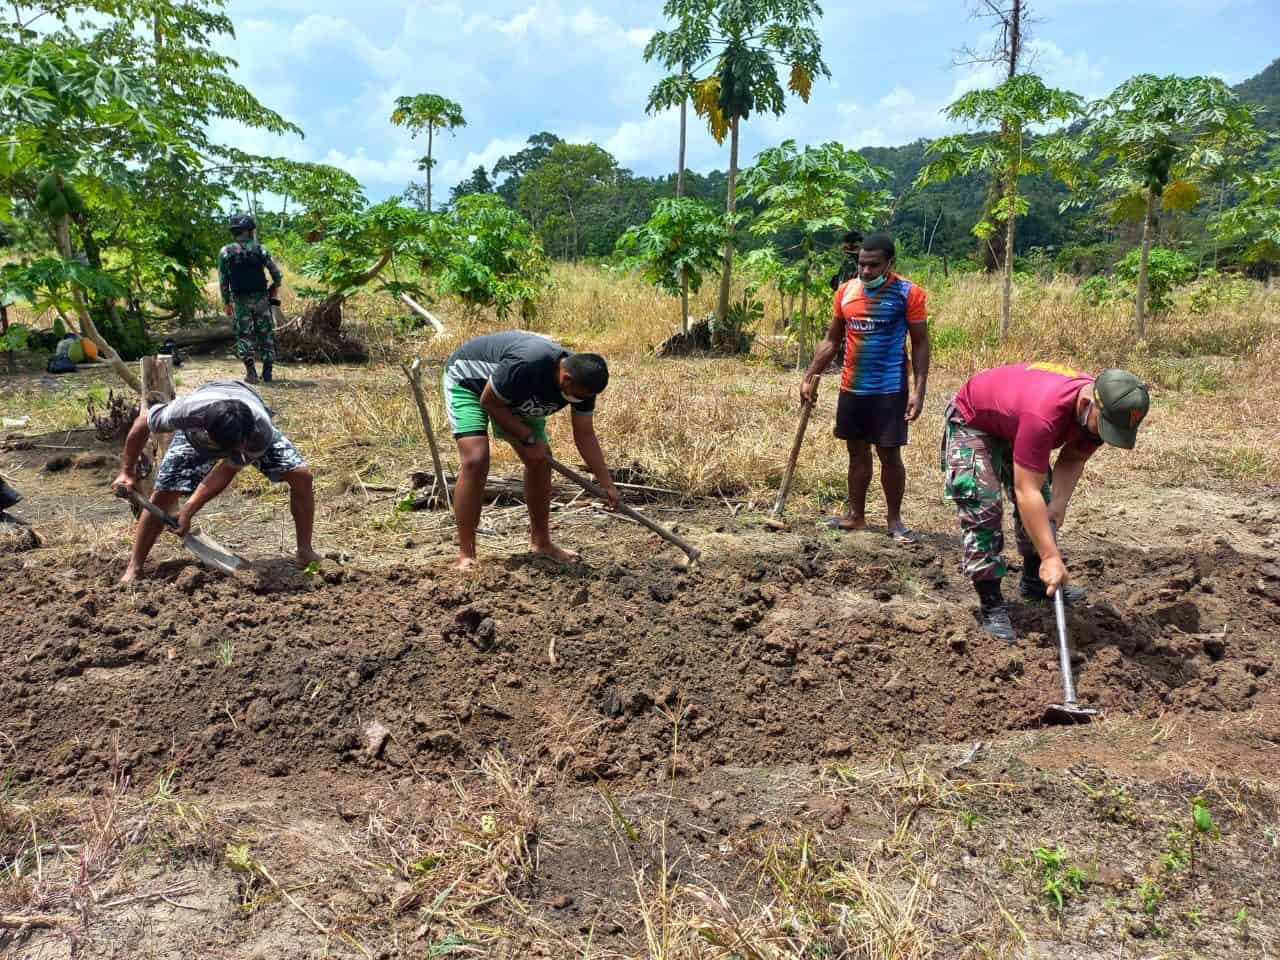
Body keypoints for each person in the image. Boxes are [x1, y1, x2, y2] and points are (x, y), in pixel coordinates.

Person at [942, 363, 1150, 643]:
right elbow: (1026, 490)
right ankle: (991, 603)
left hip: (1016, 422)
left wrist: (1059, 503)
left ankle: (1034, 583)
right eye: (1104, 428)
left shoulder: (1096, 413)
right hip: (974, 420)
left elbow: (1075, 456)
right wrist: (1052, 557)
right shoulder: (1046, 414)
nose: (1103, 436)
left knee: (1045, 504)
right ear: (1087, 404)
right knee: (985, 508)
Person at [443, 331, 622, 570]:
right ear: (566, 379)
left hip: (516, 397)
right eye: (577, 395)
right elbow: (490, 402)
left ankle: (541, 543)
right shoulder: (530, 363)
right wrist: (527, 438)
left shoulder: (584, 387)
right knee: (476, 459)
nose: (579, 401)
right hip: (471, 383)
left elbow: (585, 434)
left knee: (540, 461)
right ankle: (466, 554)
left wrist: (606, 483)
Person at [112, 380, 319, 583]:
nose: (234, 452)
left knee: (301, 476)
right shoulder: (187, 413)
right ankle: (135, 567)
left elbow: (227, 469)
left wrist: (188, 510)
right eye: (229, 448)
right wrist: (126, 472)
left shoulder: (259, 430)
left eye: (238, 447)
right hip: (200, 433)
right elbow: (142, 424)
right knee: (165, 492)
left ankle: (305, 551)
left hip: (247, 414)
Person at [801, 233, 930, 544]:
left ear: (890, 264)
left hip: (889, 387)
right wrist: (809, 375)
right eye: (862, 264)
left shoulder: (908, 294)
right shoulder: (845, 292)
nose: (866, 271)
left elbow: (921, 342)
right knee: (856, 452)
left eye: (874, 265)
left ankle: (894, 520)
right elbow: (832, 341)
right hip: (853, 387)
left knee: (889, 453)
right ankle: (856, 516)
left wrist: (919, 390)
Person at [218, 213, 283, 384]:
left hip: (240, 301)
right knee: (265, 334)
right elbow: (277, 273)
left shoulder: (225, 252)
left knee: (244, 335)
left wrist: (226, 302)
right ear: (249, 231)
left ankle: (251, 373)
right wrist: (274, 287)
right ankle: (267, 372)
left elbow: (223, 280)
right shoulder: (260, 249)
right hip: (262, 299)